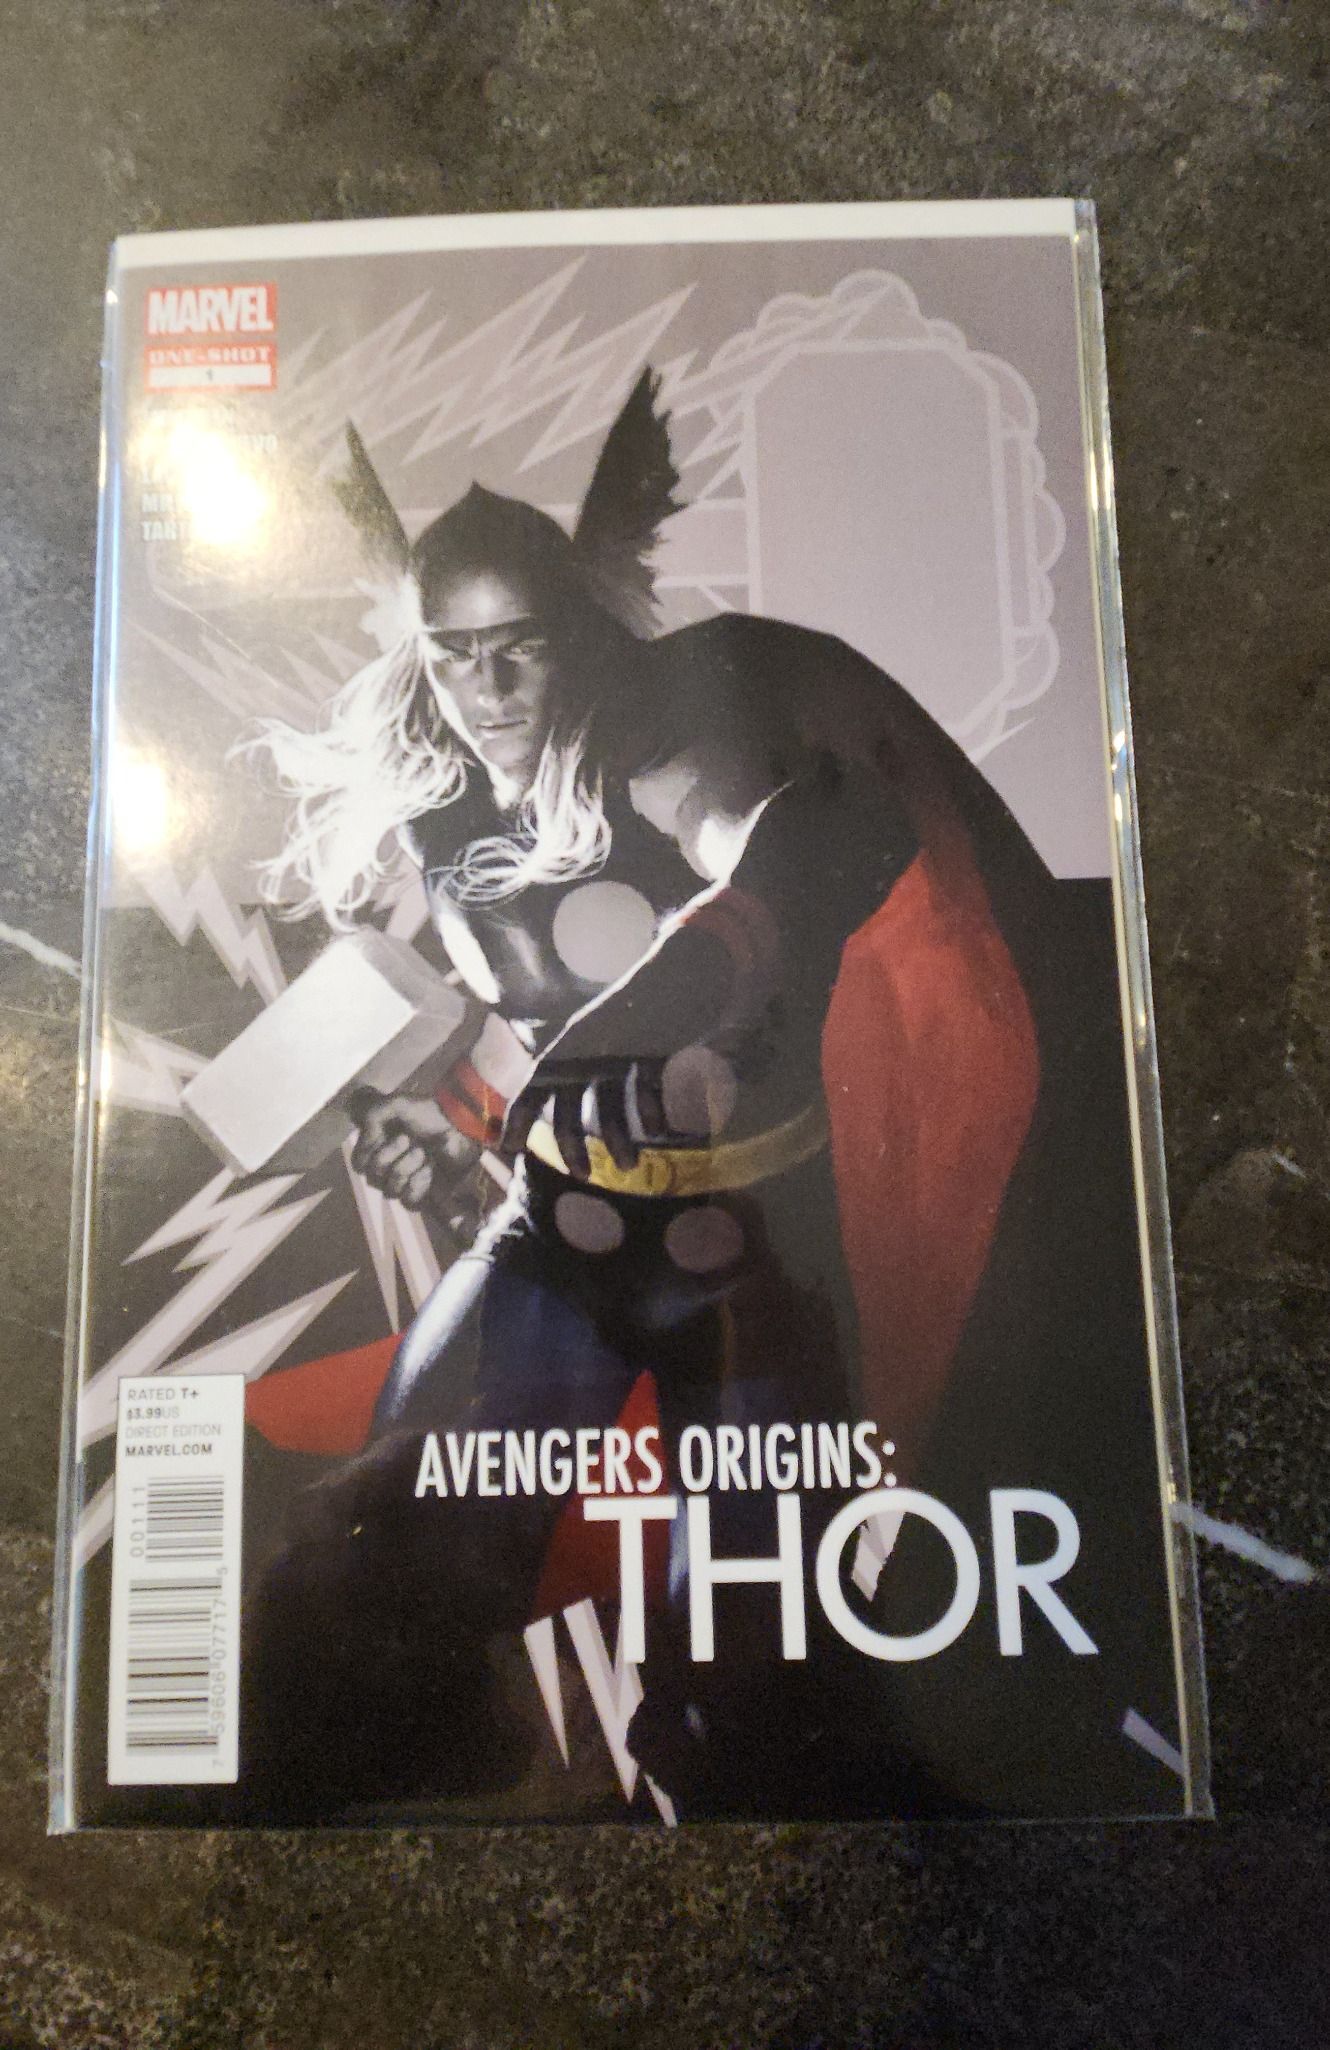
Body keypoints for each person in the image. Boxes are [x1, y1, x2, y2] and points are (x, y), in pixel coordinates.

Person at [237, 371, 1068, 1820]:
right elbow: (513, 1028)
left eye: (520, 648)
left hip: (744, 1251)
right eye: (455, 656)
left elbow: (797, 847)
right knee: (388, 1556)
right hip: (554, 1232)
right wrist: (444, 1124)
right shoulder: (437, 801)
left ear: (576, 630)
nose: (490, 692)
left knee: (758, 1663)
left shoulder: (662, 744)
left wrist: (693, 974)